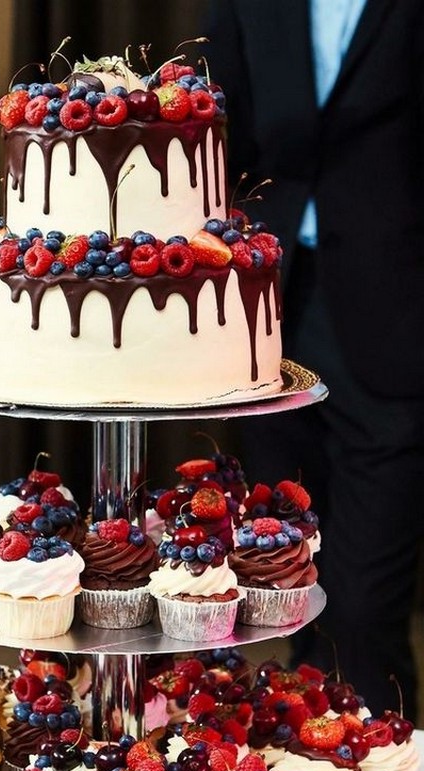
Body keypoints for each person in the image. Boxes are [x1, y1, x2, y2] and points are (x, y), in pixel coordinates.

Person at [207, 0, 424, 721]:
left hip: (396, 318)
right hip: (268, 316)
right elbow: (219, 130)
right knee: (289, 587)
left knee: (364, 609)